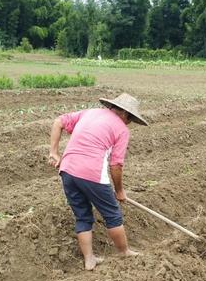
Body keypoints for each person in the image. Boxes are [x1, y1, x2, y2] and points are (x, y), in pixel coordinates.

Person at [48, 93, 149, 270]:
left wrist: (54, 153)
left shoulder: (90, 113)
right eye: (130, 118)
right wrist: (119, 191)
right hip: (92, 173)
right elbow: (116, 164)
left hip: (67, 170)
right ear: (125, 114)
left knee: (82, 215)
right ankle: (124, 251)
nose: (129, 122)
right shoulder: (122, 130)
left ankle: (89, 259)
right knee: (112, 214)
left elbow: (59, 121)